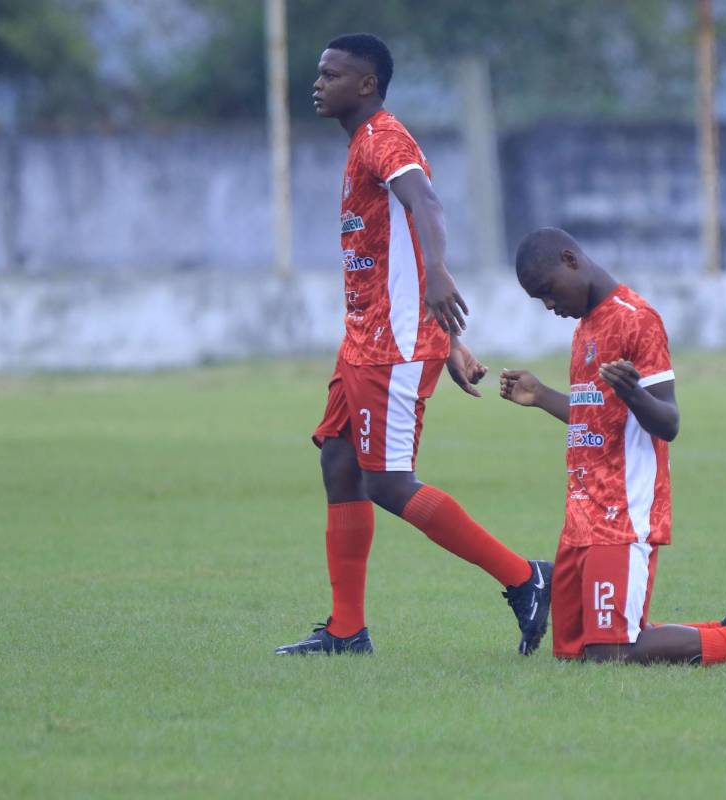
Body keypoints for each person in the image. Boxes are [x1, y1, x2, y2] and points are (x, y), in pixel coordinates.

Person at [275, 34, 551, 657]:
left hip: (392, 348)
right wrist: (450, 339)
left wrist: (438, 281)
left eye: (331, 74)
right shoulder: (360, 144)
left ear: (366, 85)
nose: (317, 84)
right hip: (365, 341)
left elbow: (426, 202)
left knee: (390, 482)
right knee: (339, 464)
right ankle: (347, 630)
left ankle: (524, 577)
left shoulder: (383, 138)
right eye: (319, 73)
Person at [499, 227, 726, 667]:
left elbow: (669, 422)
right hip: (581, 515)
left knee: (610, 651)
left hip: (622, 512)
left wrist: (635, 394)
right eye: (538, 299)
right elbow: (597, 417)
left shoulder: (636, 318)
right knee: (574, 652)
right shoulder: (585, 327)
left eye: (547, 291)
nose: (549, 305)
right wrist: (542, 395)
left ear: (571, 260)